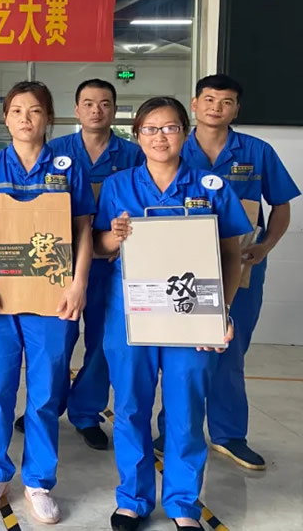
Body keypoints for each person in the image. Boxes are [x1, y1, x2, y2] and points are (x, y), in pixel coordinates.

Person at [94, 96, 251, 531]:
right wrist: (114, 236)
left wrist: (220, 313)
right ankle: (133, 499)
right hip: (132, 311)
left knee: (186, 408)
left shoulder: (210, 186)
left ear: (185, 132)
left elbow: (230, 255)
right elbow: (100, 248)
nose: (160, 137)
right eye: (150, 129)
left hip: (191, 314)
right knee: (130, 406)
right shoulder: (118, 185)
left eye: (169, 128)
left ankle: (183, 503)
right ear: (137, 135)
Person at [153, 74, 299, 471]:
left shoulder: (257, 151)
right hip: (182, 269)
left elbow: (281, 204)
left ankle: (229, 434)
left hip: (242, 266)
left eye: (226, 101)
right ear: (194, 104)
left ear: (236, 109)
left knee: (230, 351)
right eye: (209, 99)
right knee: (182, 354)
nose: (216, 107)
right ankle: (173, 431)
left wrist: (265, 246)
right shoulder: (174, 147)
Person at [0, 81, 94, 526]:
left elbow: (83, 229)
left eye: (35, 110)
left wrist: (78, 283)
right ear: (5, 118)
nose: (26, 118)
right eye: (17, 110)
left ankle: (39, 481)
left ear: (49, 118)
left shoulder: (68, 167)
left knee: (44, 392)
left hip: (52, 297)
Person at [40, 79, 144, 451]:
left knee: (103, 343)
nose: (96, 110)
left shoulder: (133, 155)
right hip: (62, 264)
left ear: (114, 110)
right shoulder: (54, 152)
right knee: (56, 341)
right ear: (77, 109)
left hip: (115, 265)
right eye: (88, 103)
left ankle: (86, 412)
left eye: (104, 103)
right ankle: (46, 407)